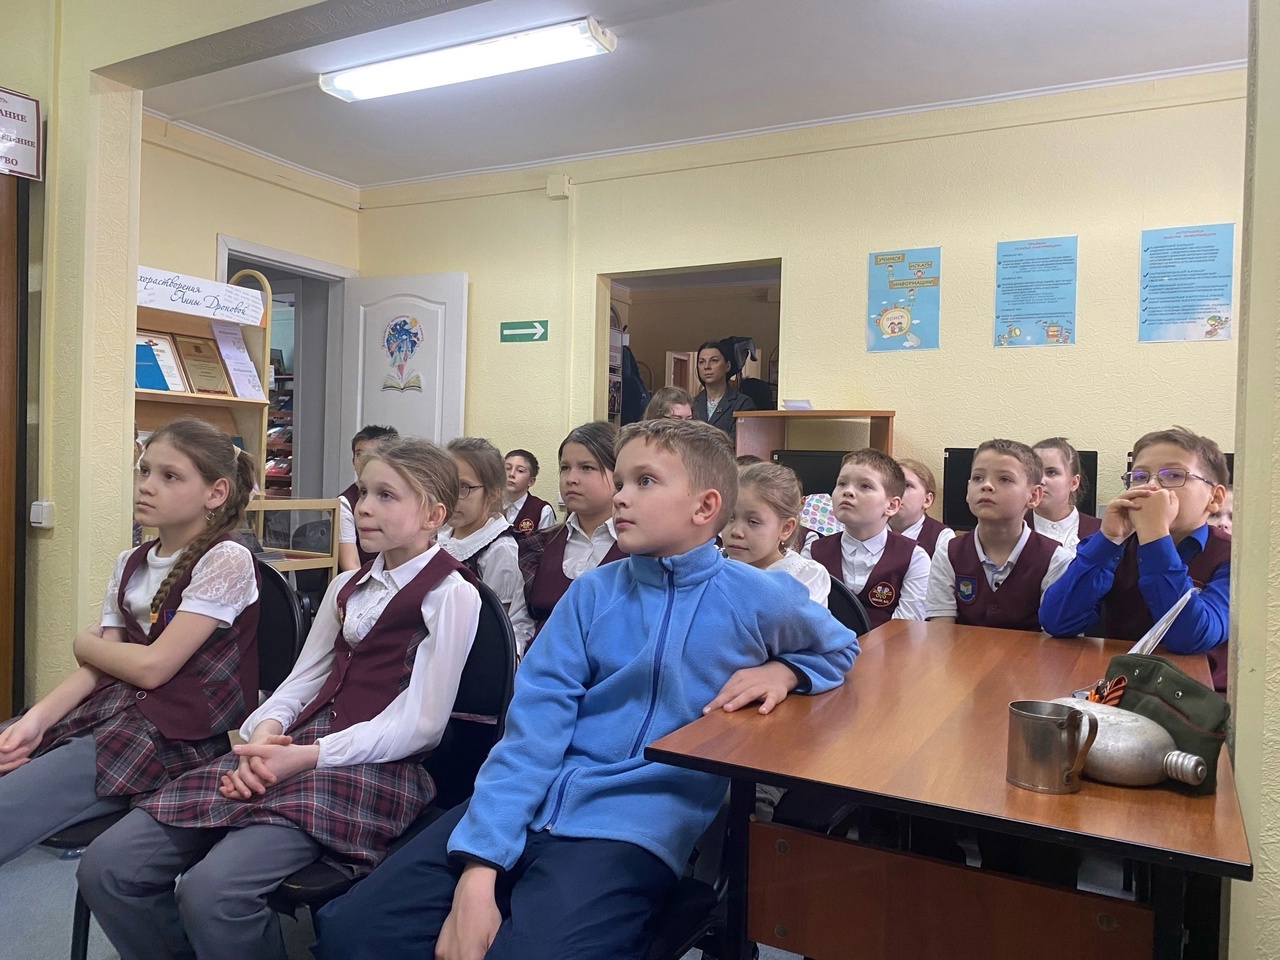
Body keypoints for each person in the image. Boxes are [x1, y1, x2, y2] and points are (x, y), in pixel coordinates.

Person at [310, 418, 858, 960]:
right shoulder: (592, 593)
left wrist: (786, 672)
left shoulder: (759, 595)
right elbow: (532, 728)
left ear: (705, 507)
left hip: (633, 825)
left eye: (645, 481)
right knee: (354, 931)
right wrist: (480, 867)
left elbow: (841, 648)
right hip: (525, 800)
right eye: (619, 481)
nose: (621, 496)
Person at [77, 437, 482, 960]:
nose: (363, 507)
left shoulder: (451, 593)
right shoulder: (347, 586)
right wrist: (264, 732)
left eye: (386, 496)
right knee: (108, 865)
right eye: (363, 492)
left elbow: (421, 726)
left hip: (374, 767)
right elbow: (302, 681)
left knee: (212, 894)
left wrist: (307, 756)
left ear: (433, 515)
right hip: (293, 747)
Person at [0, 418, 260, 865]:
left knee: (10, 804)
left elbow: (152, 668)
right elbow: (101, 669)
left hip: (177, 736)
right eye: (144, 471)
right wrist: (36, 720)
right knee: (12, 742)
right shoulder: (130, 561)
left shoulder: (227, 559)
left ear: (215, 493)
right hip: (114, 713)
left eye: (170, 476)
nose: (146, 486)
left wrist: (83, 643)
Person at [1040, 426, 1230, 688]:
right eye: (1140, 476)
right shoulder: (1112, 544)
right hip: (1117, 688)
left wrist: (1156, 536)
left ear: (1215, 498)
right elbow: (1058, 622)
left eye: (1174, 475)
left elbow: (1190, 639)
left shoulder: (1231, 557)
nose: (1151, 487)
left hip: (1196, 696)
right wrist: (1108, 539)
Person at [926, 439, 1072, 628]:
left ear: (1034, 496)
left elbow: (1052, 637)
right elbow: (941, 630)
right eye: (978, 478)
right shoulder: (948, 553)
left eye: (1004, 479)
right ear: (968, 491)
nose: (986, 486)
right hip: (959, 648)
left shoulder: (1055, 559)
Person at [517, 422, 626, 634]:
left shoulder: (640, 550)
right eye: (565, 468)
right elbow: (521, 623)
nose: (571, 479)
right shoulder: (539, 545)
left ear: (618, 475)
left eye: (587, 468)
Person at [807, 449, 929, 627]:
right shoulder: (813, 551)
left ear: (892, 505)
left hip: (892, 644)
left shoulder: (914, 558)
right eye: (842, 483)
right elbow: (806, 619)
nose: (848, 491)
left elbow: (906, 627)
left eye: (865, 486)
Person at [441, 438, 536, 656]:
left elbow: (496, 627)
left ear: (493, 493)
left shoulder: (499, 549)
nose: (451, 497)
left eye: (463, 487)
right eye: (447, 485)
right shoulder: (441, 535)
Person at [724, 461, 830, 605]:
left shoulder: (804, 576)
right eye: (729, 517)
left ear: (786, 528)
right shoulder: (714, 568)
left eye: (753, 522)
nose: (736, 532)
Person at [337, 425, 400, 571]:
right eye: (360, 454)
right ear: (353, 461)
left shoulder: (403, 496)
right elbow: (351, 566)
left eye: (373, 454)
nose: (365, 461)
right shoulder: (346, 502)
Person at [1029, 437, 1101, 551]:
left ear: (1074, 483)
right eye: (1034, 472)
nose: (1041, 480)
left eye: (1051, 472)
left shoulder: (1101, 531)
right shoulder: (1011, 530)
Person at [888, 457, 955, 557]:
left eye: (907, 485)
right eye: (890, 484)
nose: (896, 491)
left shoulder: (942, 537)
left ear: (927, 500)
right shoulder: (868, 529)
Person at [691, 340, 755, 442]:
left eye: (714, 361)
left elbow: (738, 443)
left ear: (727, 366)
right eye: (701, 362)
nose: (707, 367)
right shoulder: (692, 403)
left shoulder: (742, 403)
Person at [502, 448, 555, 537]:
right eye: (507, 468)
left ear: (531, 481)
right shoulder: (489, 505)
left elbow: (546, 544)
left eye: (520, 470)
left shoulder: (542, 510)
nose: (511, 474)